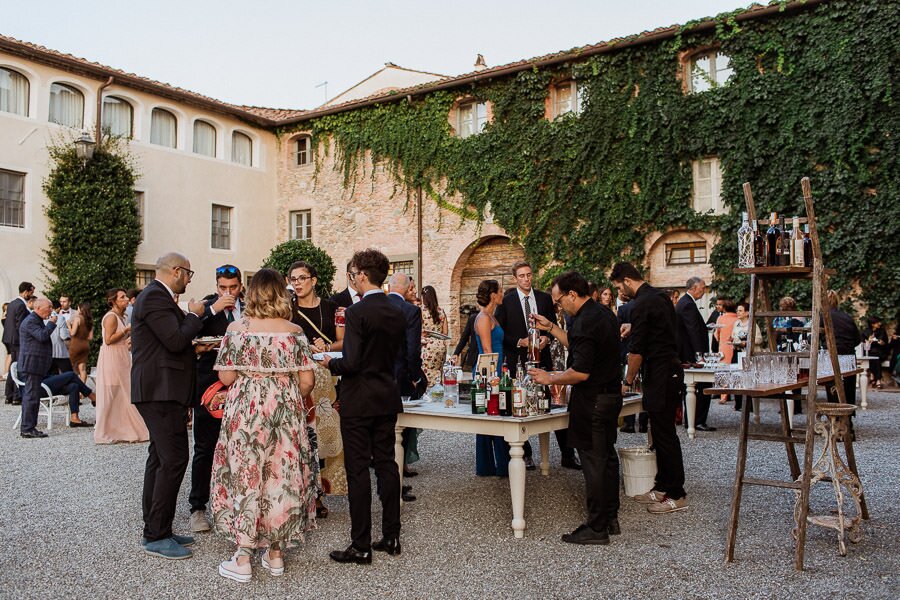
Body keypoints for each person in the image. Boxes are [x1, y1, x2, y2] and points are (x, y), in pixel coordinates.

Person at [211, 268, 318, 582]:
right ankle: (275, 555)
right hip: (284, 411)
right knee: (280, 478)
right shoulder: (295, 331)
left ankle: (243, 558)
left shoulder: (236, 328)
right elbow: (308, 382)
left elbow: (226, 378)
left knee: (247, 475)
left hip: (246, 411)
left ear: (252, 293)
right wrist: (283, 392)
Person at [321, 249, 405, 565]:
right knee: (386, 464)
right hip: (386, 395)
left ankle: (361, 545)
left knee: (358, 470)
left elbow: (352, 362)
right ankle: (392, 536)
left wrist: (330, 361)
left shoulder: (357, 313)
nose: (352, 278)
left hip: (358, 399)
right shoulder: (398, 310)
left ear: (362, 275)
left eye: (353, 273)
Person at [529, 271, 623, 545]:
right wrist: (552, 328)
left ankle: (596, 527)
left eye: (559, 301)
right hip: (610, 397)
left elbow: (580, 371)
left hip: (592, 399)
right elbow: (581, 347)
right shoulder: (602, 313)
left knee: (593, 462)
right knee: (607, 458)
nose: (558, 306)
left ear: (572, 294)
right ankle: (610, 517)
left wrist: (550, 377)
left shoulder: (583, 321)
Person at [131, 252, 206, 560]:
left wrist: (195, 346)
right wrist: (195, 316)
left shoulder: (158, 297)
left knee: (160, 459)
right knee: (175, 459)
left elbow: (170, 344)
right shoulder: (154, 298)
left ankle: (156, 525)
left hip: (162, 389)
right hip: (159, 391)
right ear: (177, 271)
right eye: (189, 274)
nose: (189, 279)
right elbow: (175, 341)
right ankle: (155, 534)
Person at [611, 262, 688, 514]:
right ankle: (663, 485)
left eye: (619, 287)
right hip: (669, 370)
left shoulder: (640, 304)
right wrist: (633, 327)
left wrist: (626, 381)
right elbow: (661, 328)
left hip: (662, 373)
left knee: (665, 435)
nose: (620, 293)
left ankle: (677, 494)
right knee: (659, 432)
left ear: (626, 281)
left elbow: (636, 352)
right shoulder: (660, 297)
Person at [496, 261, 579, 470]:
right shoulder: (506, 302)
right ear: (515, 278)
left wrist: (546, 339)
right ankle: (526, 454)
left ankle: (568, 455)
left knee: (556, 405)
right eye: (522, 276)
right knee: (521, 405)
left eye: (529, 275)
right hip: (518, 361)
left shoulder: (543, 298)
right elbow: (500, 333)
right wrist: (519, 342)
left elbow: (553, 326)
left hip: (544, 360)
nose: (526, 279)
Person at [188, 264, 246, 533]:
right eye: (223, 287)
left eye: (232, 287)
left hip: (243, 385)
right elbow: (188, 333)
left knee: (241, 445)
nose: (228, 292)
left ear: (241, 286)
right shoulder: (205, 308)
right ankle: (197, 507)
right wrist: (212, 309)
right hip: (209, 384)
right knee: (205, 446)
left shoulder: (249, 309)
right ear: (216, 286)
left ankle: (237, 504)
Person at [288, 260, 347, 517]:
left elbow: (343, 341)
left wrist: (326, 347)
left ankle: (321, 493)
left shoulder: (333, 307)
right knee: (301, 439)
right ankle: (305, 496)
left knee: (325, 439)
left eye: (302, 278)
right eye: (293, 279)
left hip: (327, 381)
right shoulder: (287, 310)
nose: (297, 283)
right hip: (300, 380)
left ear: (313, 280)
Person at [95, 289, 148, 443]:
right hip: (112, 358)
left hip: (121, 355)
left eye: (125, 296)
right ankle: (103, 431)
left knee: (125, 391)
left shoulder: (121, 316)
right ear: (113, 300)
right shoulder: (111, 317)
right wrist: (126, 330)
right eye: (122, 297)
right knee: (112, 391)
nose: (126, 299)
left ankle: (123, 429)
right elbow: (109, 339)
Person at [473, 279, 510, 477]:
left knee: (497, 416)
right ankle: (490, 466)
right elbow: (487, 351)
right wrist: (494, 377)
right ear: (493, 295)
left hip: (497, 369)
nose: (503, 294)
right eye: (501, 291)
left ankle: (499, 465)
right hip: (487, 372)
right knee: (492, 418)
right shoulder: (484, 318)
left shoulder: (491, 317)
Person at [675, 277, 715, 432]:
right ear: (693, 287)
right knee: (701, 386)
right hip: (691, 355)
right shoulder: (687, 305)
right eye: (703, 287)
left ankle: (693, 419)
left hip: (689, 353)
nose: (704, 291)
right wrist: (700, 356)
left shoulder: (685, 302)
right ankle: (697, 420)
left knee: (692, 388)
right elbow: (693, 331)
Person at [17, 297, 57, 438]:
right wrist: (51, 324)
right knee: (31, 397)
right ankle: (27, 428)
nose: (51, 310)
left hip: (35, 365)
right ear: (38, 308)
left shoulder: (36, 320)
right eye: (49, 307)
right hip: (31, 365)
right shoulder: (30, 321)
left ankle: (30, 427)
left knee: (33, 396)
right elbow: (42, 336)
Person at [824, 291, 861, 431]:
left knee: (833, 389)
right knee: (848, 390)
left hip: (833, 357)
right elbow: (857, 339)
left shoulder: (824, 317)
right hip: (849, 357)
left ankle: (836, 423)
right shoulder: (847, 317)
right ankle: (848, 423)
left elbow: (813, 338)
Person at [4, 281, 34, 404]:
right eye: (31, 292)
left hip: (10, 339)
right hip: (17, 340)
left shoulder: (11, 303)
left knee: (14, 366)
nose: (31, 295)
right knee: (18, 366)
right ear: (26, 291)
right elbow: (20, 326)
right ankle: (16, 396)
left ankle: (9, 395)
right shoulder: (21, 305)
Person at [730, 302, 763, 412]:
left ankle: (750, 405)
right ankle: (738, 403)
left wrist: (747, 342)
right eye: (737, 310)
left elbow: (759, 339)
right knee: (736, 378)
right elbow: (733, 336)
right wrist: (734, 341)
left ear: (747, 312)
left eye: (740, 310)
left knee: (748, 378)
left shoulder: (752, 324)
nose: (738, 312)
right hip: (737, 353)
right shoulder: (736, 324)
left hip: (748, 354)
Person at [420, 285, 448, 387]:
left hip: (426, 346)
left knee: (426, 374)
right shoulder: (441, 311)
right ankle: (437, 391)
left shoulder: (420, 311)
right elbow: (445, 333)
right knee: (438, 372)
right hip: (440, 346)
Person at [714, 299, 738, 404]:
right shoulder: (737, 319)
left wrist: (720, 339)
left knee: (723, 371)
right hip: (735, 347)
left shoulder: (721, 318)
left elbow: (716, 334)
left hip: (724, 347)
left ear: (724, 308)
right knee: (736, 370)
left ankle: (723, 395)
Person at [66, 302, 93, 383]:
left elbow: (72, 333)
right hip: (85, 345)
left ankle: (72, 387)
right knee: (83, 368)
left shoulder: (78, 318)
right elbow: (90, 337)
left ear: (80, 309)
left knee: (70, 366)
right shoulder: (90, 320)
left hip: (76, 345)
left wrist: (68, 326)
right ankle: (82, 390)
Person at [50, 295, 74, 374]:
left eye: (64, 301)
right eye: (61, 302)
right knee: (69, 375)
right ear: (58, 308)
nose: (62, 303)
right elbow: (64, 336)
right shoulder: (60, 317)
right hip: (60, 351)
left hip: (48, 352)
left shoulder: (42, 317)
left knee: (53, 376)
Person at [863, 316, 888, 389]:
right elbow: (862, 343)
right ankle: (878, 380)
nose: (879, 324)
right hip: (869, 352)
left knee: (876, 358)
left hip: (881, 352)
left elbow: (886, 344)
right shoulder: (866, 331)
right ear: (872, 324)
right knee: (875, 359)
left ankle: (873, 376)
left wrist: (882, 343)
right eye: (877, 322)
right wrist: (868, 341)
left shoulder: (882, 331)